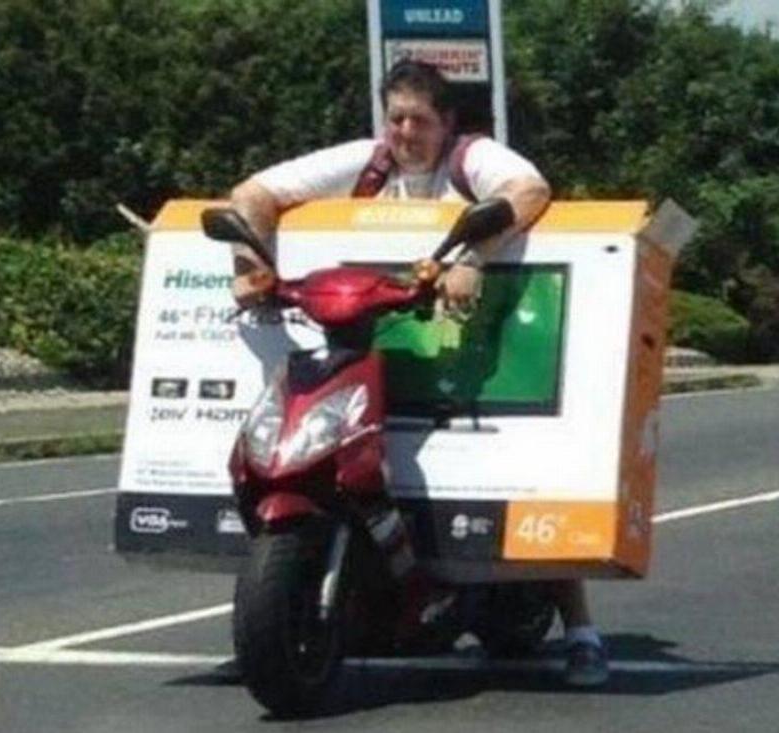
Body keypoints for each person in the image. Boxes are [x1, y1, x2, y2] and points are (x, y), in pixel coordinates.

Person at [228, 59, 608, 687]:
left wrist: (473, 257)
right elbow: (251, 195)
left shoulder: (471, 159)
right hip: (379, 337)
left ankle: (581, 631)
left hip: (479, 334)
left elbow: (530, 191)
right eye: (396, 118)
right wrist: (251, 263)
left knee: (525, 473)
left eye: (420, 120)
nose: (406, 132)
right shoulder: (369, 163)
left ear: (447, 122)